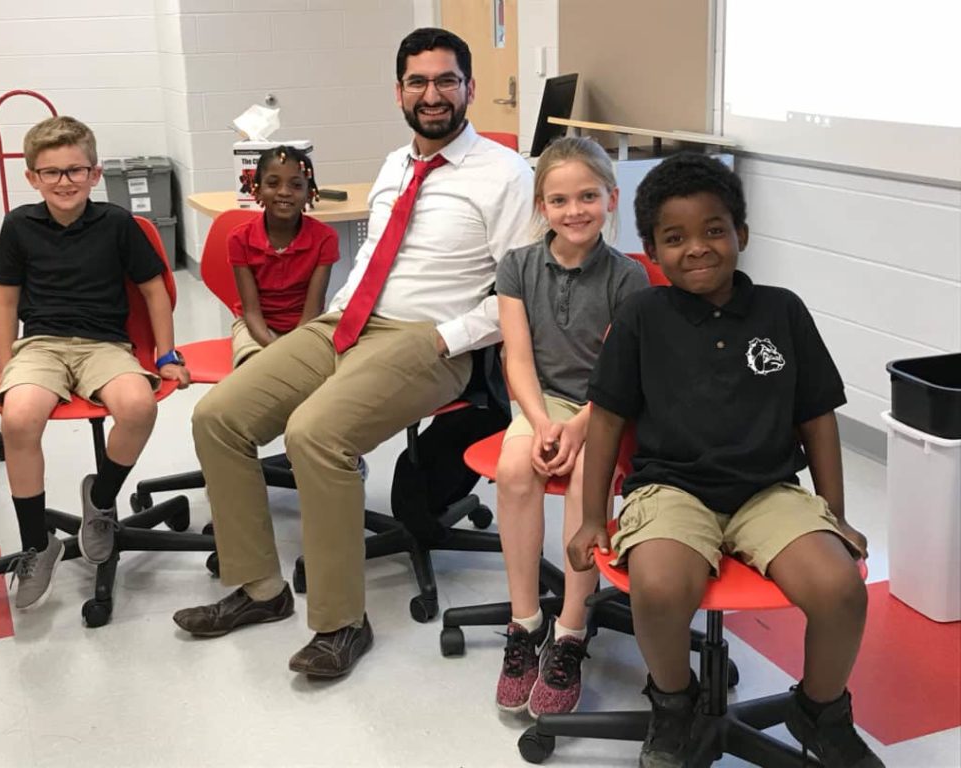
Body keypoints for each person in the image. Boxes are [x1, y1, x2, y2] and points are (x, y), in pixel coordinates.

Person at [172, 27, 534, 679]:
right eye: (418, 82)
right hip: (349, 321)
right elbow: (377, 251)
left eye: (446, 80)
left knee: (316, 434)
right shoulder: (395, 164)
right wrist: (337, 312)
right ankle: (260, 589)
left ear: (470, 89)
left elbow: (518, 293)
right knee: (217, 416)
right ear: (399, 91)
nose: (432, 94)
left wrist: (445, 338)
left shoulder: (507, 175)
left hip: (429, 340)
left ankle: (341, 624)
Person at [568, 153, 883, 768]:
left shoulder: (782, 310)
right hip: (671, 488)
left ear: (742, 233)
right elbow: (606, 420)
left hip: (767, 490)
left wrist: (833, 513)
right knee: (659, 587)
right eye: (674, 237)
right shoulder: (641, 317)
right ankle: (674, 706)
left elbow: (816, 417)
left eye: (714, 230)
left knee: (841, 588)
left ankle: (820, 710)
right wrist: (592, 516)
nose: (698, 248)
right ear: (652, 251)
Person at [0, 116, 190, 610]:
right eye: (51, 172)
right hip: (41, 345)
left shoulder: (117, 223)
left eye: (76, 170)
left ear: (95, 174)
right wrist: (4, 366)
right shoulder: (19, 225)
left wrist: (164, 354)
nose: (64, 182)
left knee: (139, 407)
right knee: (17, 419)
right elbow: (5, 302)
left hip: (105, 346)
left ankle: (100, 501)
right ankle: (38, 543)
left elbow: (154, 292)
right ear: (32, 177)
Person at [493, 137, 648, 717]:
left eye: (588, 196)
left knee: (588, 476)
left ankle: (571, 631)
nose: (574, 210)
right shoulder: (517, 267)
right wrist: (538, 422)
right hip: (540, 402)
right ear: (541, 207)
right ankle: (525, 621)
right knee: (514, 468)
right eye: (559, 200)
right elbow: (518, 360)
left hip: (606, 408)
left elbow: (622, 373)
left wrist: (581, 429)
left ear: (611, 198)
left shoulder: (627, 278)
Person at [228, 145, 339, 367]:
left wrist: (292, 347)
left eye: (296, 185)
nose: (284, 192)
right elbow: (251, 311)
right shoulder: (239, 240)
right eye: (272, 183)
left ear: (310, 193)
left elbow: (313, 308)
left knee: (325, 369)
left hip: (307, 325)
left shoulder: (325, 238)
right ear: (256, 190)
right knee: (254, 370)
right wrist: (273, 348)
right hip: (257, 328)